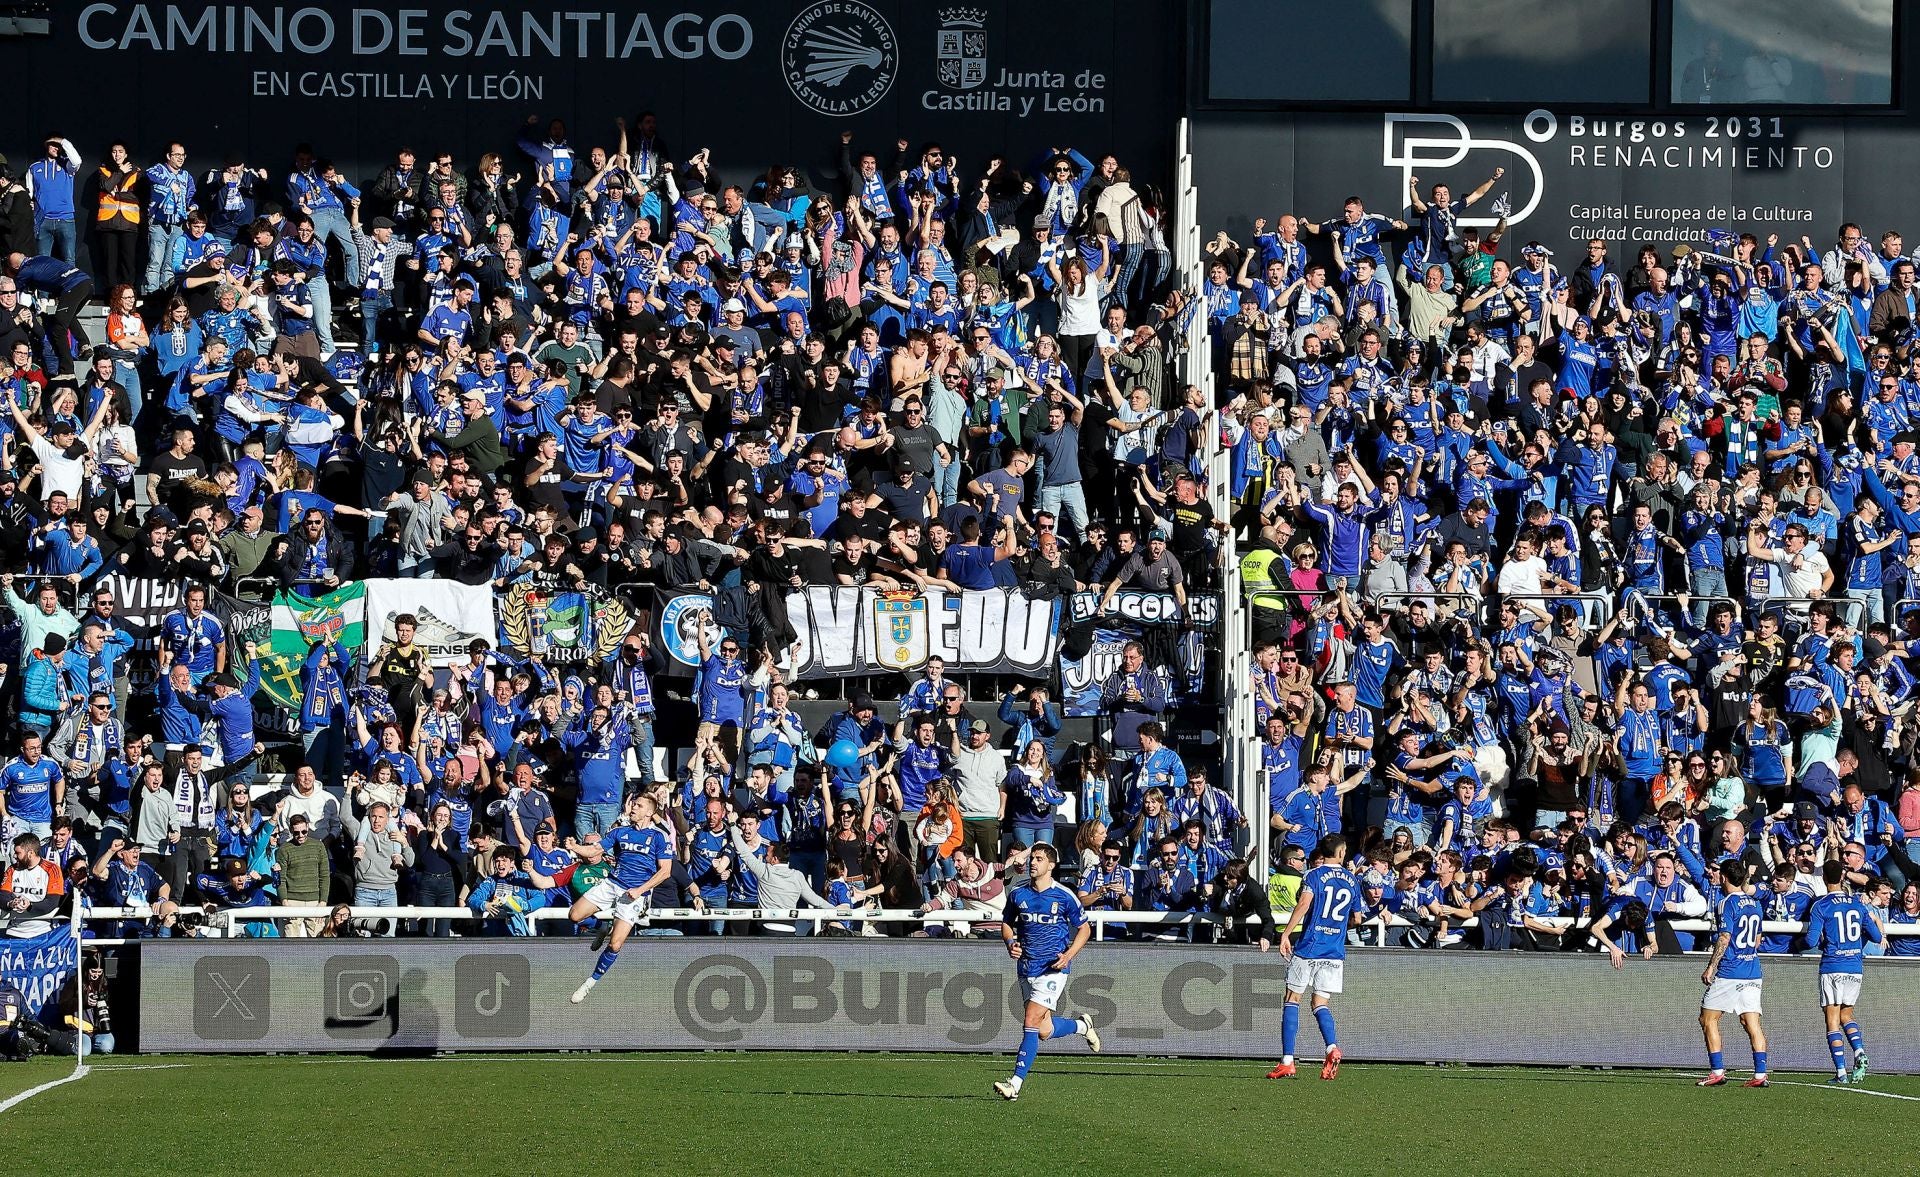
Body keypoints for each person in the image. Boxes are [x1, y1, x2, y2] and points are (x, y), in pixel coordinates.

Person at [993, 841, 1101, 1100]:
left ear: (1051, 865)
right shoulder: (1018, 893)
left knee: (1030, 1021)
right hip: (1027, 966)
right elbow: (1006, 924)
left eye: (1039, 859)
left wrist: (1068, 956)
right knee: (1043, 1030)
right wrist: (1010, 943)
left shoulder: (1064, 895)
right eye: (1032, 858)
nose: (1032, 862)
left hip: (1053, 969)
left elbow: (1084, 929)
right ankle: (1081, 1026)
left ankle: (1015, 1085)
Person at [1268, 835, 1359, 1080]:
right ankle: (1331, 1047)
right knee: (1320, 1004)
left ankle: (1287, 1061)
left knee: (1292, 998)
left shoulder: (1313, 875)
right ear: (1341, 854)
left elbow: (1304, 904)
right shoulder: (1352, 880)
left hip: (1309, 946)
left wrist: (1286, 933)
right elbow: (1357, 918)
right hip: (1334, 952)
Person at [569, 792, 671, 1004]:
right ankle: (604, 925)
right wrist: (575, 847)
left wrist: (640, 890)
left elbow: (665, 872)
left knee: (615, 945)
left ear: (650, 812)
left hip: (634, 893)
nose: (633, 808)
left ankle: (589, 983)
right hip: (612, 883)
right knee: (574, 915)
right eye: (634, 804)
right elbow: (595, 849)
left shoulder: (659, 837)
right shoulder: (621, 832)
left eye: (639, 806)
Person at [1805, 859, 1883, 1084]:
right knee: (1846, 1015)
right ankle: (1859, 1051)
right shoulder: (1857, 904)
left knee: (1832, 1020)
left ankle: (1840, 1072)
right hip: (1855, 966)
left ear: (1823, 879)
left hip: (1832, 965)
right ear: (1842, 877)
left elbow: (1810, 940)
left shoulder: (1821, 905)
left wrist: (1800, 945)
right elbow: (1877, 937)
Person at [1695, 859, 1769, 1088]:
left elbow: (1724, 937)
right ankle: (1760, 1075)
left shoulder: (1726, 903)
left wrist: (1711, 966)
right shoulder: (1755, 903)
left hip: (1730, 971)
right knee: (1751, 1022)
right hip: (1752, 970)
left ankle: (1717, 1072)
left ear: (1725, 877)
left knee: (1707, 1019)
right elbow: (1757, 940)